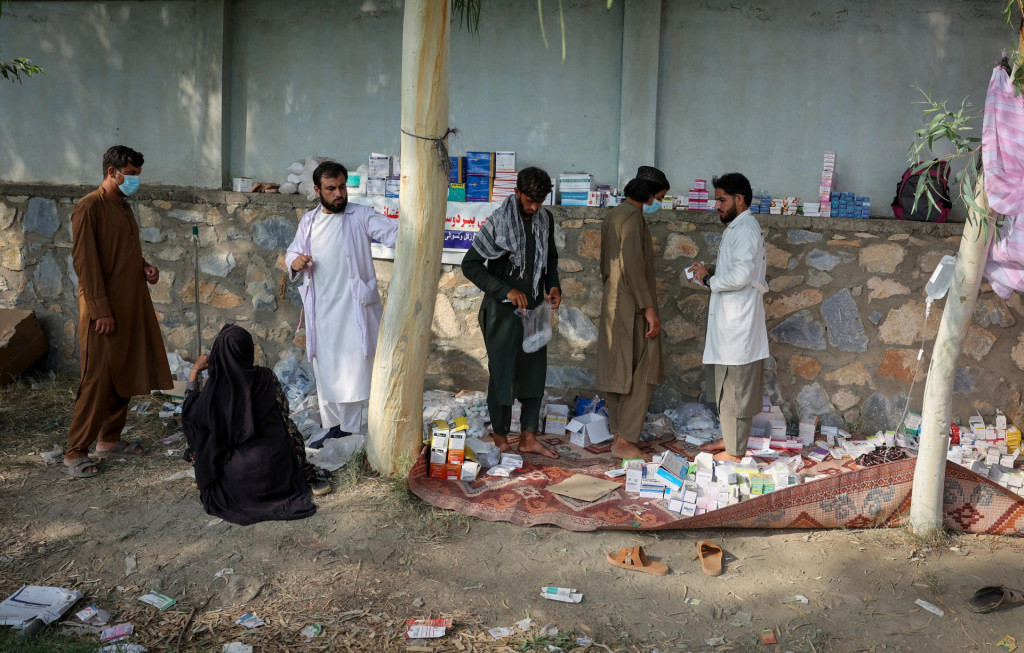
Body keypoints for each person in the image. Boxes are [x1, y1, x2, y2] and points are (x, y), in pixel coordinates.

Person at [64, 145, 173, 478]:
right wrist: (100, 311)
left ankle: (108, 440)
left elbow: (121, 253)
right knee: (96, 379)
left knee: (124, 376)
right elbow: (86, 263)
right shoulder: (89, 208)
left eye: (138, 175)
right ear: (112, 172)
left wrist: (145, 267)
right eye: (131, 174)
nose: (135, 181)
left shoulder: (123, 207)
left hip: (130, 306)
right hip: (103, 312)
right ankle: (75, 451)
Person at [285, 161, 398, 448]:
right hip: (321, 311)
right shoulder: (309, 222)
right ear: (317, 190)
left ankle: (348, 429)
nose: (339, 194)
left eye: (342, 187)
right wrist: (295, 262)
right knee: (325, 370)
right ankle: (332, 425)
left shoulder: (361, 216)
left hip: (353, 310)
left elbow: (395, 234)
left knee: (352, 372)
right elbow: (293, 253)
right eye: (331, 188)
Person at [182, 325, 328, 526]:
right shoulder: (266, 377)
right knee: (286, 426)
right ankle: (299, 470)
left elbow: (190, 419)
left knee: (202, 438)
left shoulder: (213, 390)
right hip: (277, 472)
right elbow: (283, 409)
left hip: (236, 480)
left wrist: (194, 373)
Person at [462, 167, 562, 458]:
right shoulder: (497, 222)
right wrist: (505, 290)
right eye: (529, 200)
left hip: (533, 311)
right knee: (502, 375)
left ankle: (528, 437)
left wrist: (553, 285)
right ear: (517, 192)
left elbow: (550, 259)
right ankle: (501, 437)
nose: (534, 207)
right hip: (501, 314)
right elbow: (470, 265)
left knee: (534, 374)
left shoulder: (545, 218)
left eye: (539, 201)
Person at [688, 173, 769, 462]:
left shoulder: (746, 229)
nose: (716, 205)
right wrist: (709, 271)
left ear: (740, 199)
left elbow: (740, 276)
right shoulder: (736, 228)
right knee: (724, 386)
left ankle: (735, 453)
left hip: (739, 324)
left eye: (722, 200)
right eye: (716, 199)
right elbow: (734, 270)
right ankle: (729, 437)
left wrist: (710, 279)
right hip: (729, 323)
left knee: (736, 389)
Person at [596, 166, 670, 460]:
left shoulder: (614, 214)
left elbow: (606, 266)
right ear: (648, 193)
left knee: (618, 369)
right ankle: (624, 439)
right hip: (633, 306)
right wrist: (649, 310)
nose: (657, 204)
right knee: (645, 369)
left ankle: (620, 435)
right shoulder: (634, 218)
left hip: (613, 301)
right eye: (658, 197)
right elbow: (635, 268)